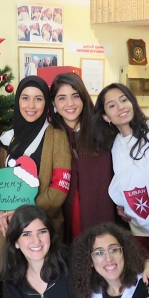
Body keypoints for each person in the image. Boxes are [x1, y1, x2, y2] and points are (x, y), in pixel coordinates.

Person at [93, 83, 149, 262]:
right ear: (105, 116)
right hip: (139, 230)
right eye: (112, 106)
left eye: (124, 100)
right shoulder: (114, 146)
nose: (120, 107)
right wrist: (121, 204)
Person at [0, 76, 71, 259]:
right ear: (18, 100)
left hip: (42, 227)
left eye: (38, 99)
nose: (31, 105)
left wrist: (28, 212)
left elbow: (60, 185)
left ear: (46, 103)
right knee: (12, 277)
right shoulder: (7, 138)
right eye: (25, 98)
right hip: (8, 228)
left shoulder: (56, 136)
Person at [50, 73, 115, 242]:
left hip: (100, 210)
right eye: (62, 98)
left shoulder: (103, 130)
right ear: (54, 103)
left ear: (84, 98)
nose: (69, 104)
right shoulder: (50, 134)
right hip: (64, 213)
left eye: (75, 96)